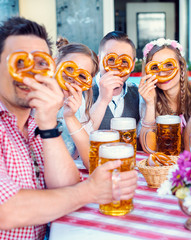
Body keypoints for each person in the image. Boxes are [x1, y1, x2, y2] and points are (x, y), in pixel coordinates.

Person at [0, 17, 138, 239]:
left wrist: (48, 124)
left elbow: (66, 185)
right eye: (19, 63)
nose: (31, 73)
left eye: (40, 63)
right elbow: (5, 211)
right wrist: (90, 191)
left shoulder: (35, 121)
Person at [138, 38, 191, 153]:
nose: (161, 73)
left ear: (181, 67)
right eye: (155, 68)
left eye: (169, 65)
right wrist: (150, 104)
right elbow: (149, 149)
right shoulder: (147, 96)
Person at [55, 37, 98, 168]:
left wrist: (70, 116)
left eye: (81, 76)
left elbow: (91, 162)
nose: (72, 77)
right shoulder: (32, 98)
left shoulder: (79, 104)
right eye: (69, 68)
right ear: (55, 63)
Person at [90, 31, 139, 130]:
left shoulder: (139, 95)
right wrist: (102, 100)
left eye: (124, 61)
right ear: (99, 61)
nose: (117, 67)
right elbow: (80, 140)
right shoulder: (81, 94)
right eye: (111, 59)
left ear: (132, 65)